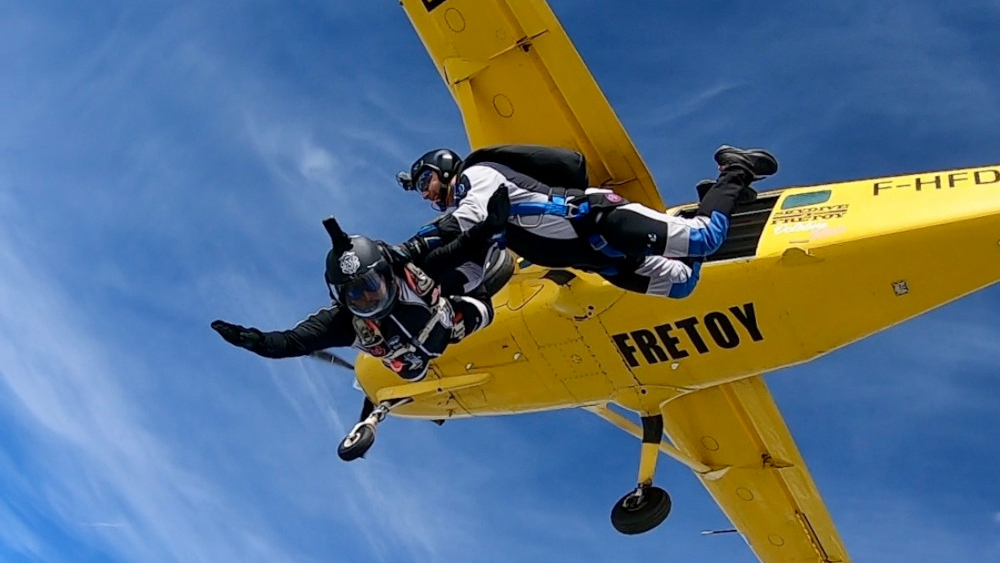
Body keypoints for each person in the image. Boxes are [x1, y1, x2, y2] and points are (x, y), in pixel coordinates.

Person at [394, 144, 778, 299]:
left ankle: (733, 170)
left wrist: (408, 250)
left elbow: (466, 221)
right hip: (606, 262)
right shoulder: (488, 226)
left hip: (605, 223)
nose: (427, 193)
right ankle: (718, 200)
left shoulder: (476, 177)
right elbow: (476, 267)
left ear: (444, 169)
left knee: (706, 240)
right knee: (683, 286)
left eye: (426, 181)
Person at [211, 214, 500, 382]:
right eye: (354, 294)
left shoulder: (412, 274)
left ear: (387, 275)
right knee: (410, 369)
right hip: (414, 358)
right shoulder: (342, 323)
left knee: (480, 307)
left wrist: (489, 227)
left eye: (371, 286)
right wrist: (258, 342)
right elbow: (292, 343)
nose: (367, 299)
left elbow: (459, 249)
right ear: (340, 297)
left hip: (448, 314)